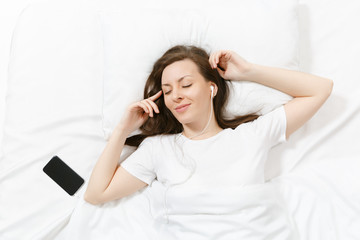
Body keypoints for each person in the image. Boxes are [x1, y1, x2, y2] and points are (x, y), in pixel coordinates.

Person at [84, 45, 333, 238]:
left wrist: (248, 71)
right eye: (167, 91)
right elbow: (97, 194)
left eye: (187, 84)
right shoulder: (158, 149)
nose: (176, 95)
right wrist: (122, 130)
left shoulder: (252, 135)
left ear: (211, 88)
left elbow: (320, 89)